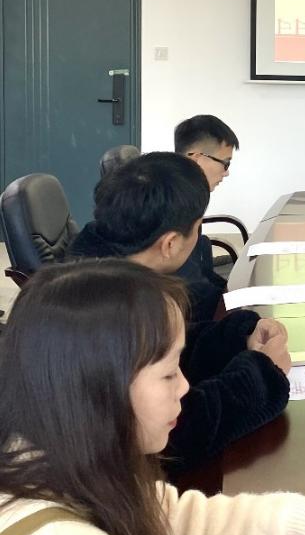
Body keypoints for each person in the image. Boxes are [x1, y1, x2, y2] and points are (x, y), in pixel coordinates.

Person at [0, 259, 305, 535]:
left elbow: (177, 519)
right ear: (99, 390)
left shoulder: (70, 464)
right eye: (169, 373)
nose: (186, 387)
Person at [67, 153, 292, 474]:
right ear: (170, 243)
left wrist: (239, 337)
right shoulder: (103, 314)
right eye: (198, 227)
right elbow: (176, 434)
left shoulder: (114, 274)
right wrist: (264, 375)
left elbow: (171, 350)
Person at [173, 114, 241, 311]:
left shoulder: (187, 192)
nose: (226, 172)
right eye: (225, 163)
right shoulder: (175, 203)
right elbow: (189, 285)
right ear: (196, 159)